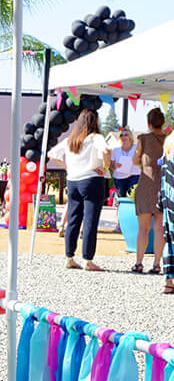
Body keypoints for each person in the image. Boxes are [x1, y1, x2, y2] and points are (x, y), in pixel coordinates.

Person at [50, 109, 110, 271]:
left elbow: (52, 154)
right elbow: (105, 150)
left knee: (73, 219)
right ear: (95, 122)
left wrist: (67, 166)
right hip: (91, 180)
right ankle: (87, 259)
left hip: (73, 181)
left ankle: (69, 257)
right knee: (90, 221)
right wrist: (105, 167)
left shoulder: (71, 139)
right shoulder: (96, 137)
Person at [131, 107, 166, 274]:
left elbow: (135, 159)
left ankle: (139, 262)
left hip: (146, 183)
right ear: (163, 123)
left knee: (143, 228)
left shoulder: (143, 139)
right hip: (164, 184)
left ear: (148, 123)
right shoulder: (169, 139)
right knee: (160, 228)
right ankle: (157, 264)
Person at [159, 130, 174, 293]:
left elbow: (164, 173)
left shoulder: (169, 141)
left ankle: (168, 280)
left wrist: (161, 199)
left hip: (169, 197)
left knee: (169, 238)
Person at [109, 128, 140, 199]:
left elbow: (141, 161)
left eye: (126, 135)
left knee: (133, 196)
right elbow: (111, 166)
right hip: (119, 177)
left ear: (130, 137)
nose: (123, 137)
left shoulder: (137, 148)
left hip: (134, 176)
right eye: (121, 135)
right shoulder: (116, 150)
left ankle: (132, 210)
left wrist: (136, 161)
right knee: (121, 198)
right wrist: (115, 165)